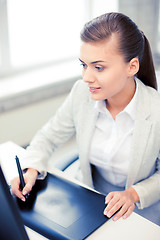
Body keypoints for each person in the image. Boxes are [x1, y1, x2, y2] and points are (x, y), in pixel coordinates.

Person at [11, 12, 160, 224]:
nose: (86, 77)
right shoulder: (81, 93)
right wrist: (31, 168)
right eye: (84, 65)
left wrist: (133, 194)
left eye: (98, 67)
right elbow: (49, 136)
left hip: (142, 213)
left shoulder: (156, 110)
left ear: (132, 67)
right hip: (90, 200)